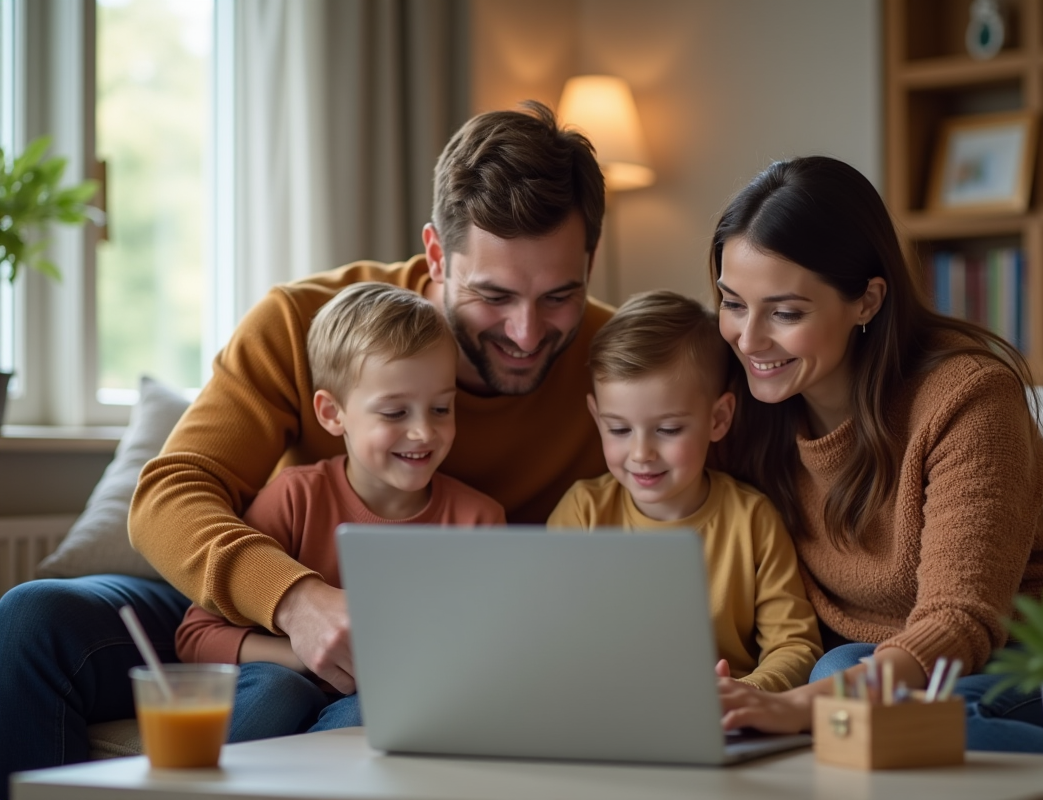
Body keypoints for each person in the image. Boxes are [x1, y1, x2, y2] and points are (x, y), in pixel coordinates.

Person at [0, 100, 607, 795]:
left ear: (589, 262)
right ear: (437, 253)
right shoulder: (303, 321)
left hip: (421, 653)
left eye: (561, 296)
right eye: (494, 295)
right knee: (30, 618)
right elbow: (169, 495)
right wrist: (297, 600)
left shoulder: (620, 365)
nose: (528, 333)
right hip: (260, 614)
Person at [708, 155, 1043, 750]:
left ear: (867, 300)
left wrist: (794, 708)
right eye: (732, 303)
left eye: (785, 312)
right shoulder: (742, 410)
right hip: (892, 665)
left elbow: (960, 620)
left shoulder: (965, 398)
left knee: (864, 706)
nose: (749, 339)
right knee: (839, 676)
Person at [175, 283, 505, 740]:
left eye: (441, 408)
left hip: (395, 702)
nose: (423, 432)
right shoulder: (295, 498)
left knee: (370, 709)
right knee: (276, 690)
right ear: (332, 413)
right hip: (278, 684)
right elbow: (195, 637)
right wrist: (306, 654)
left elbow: (492, 658)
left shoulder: (479, 522)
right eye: (394, 413)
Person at [547, 290, 823, 692]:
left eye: (668, 429)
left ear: (718, 419)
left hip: (726, 716)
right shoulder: (583, 512)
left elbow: (796, 645)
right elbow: (549, 634)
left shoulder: (752, 519)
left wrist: (751, 691)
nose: (641, 453)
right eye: (619, 429)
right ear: (596, 416)